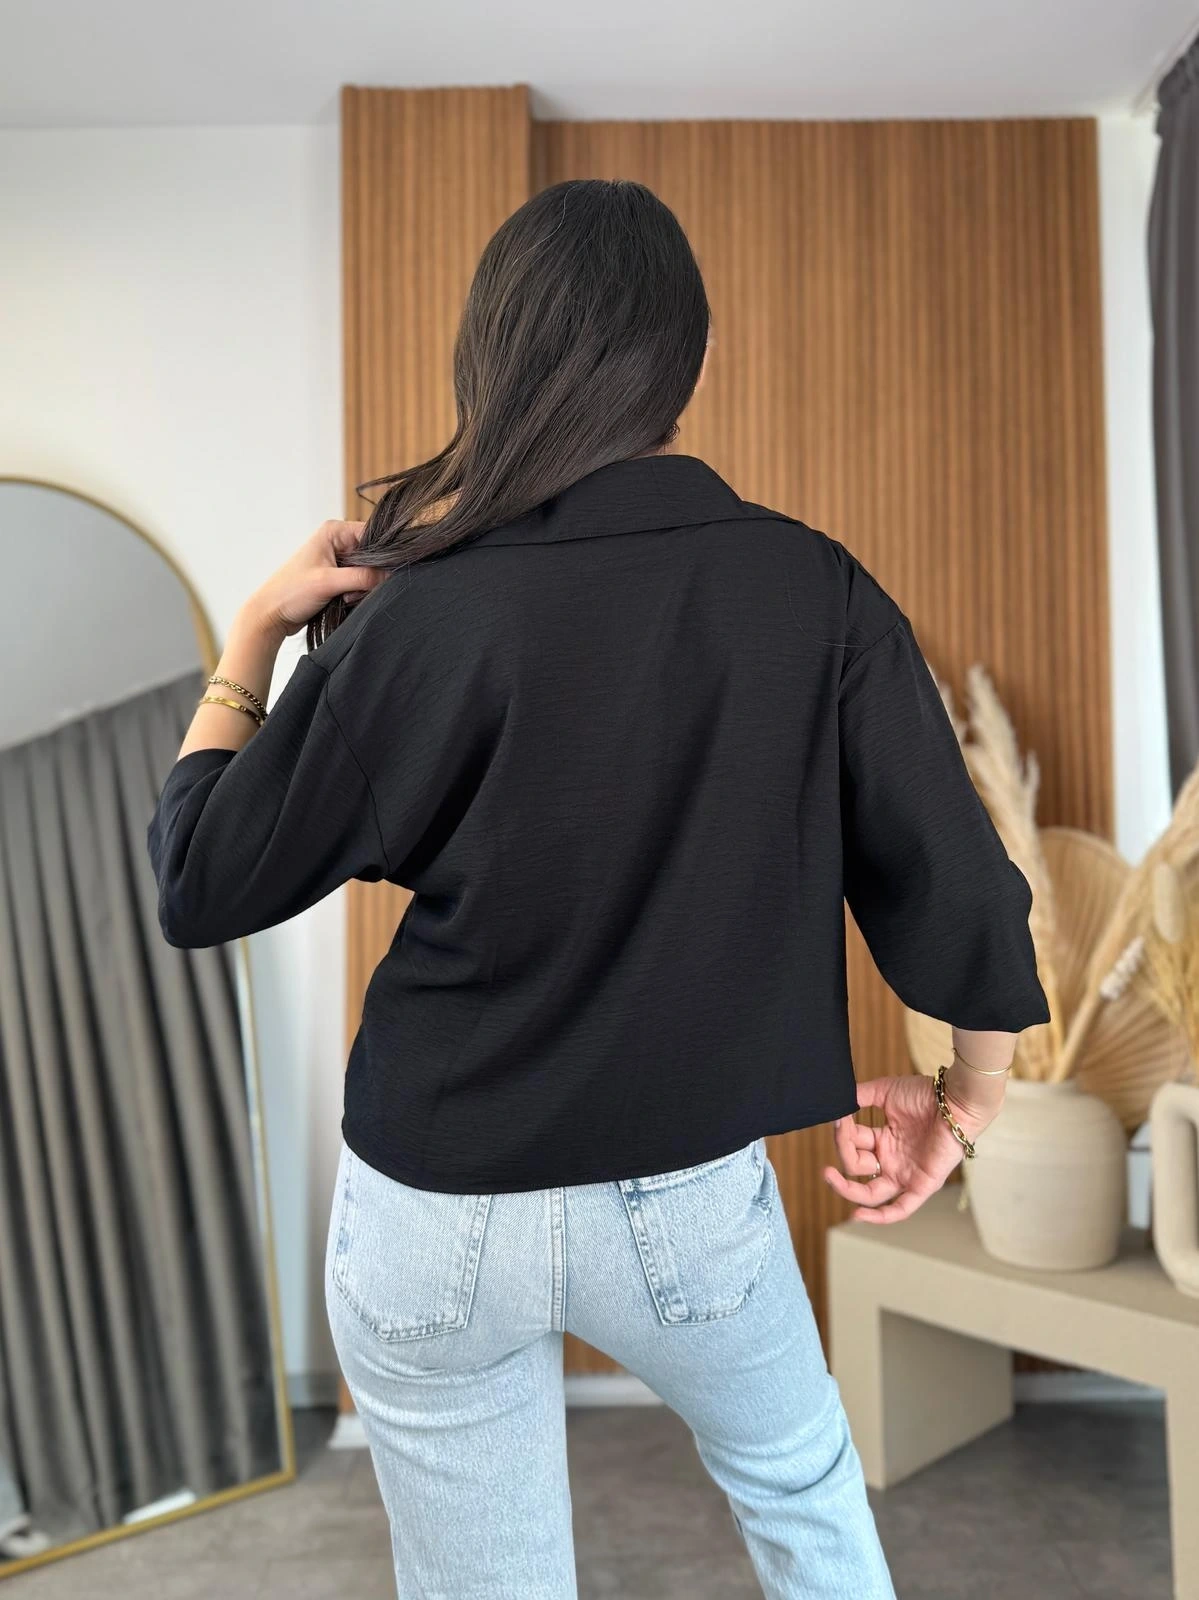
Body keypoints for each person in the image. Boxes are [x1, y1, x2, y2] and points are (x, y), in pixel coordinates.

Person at [147, 178, 1049, 1599]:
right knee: (806, 1498)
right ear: (689, 365)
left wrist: (254, 632)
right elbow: (956, 882)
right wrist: (967, 1100)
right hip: (684, 1198)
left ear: (489, 357)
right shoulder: (809, 586)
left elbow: (202, 879)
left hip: (432, 1199)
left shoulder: (418, 610)